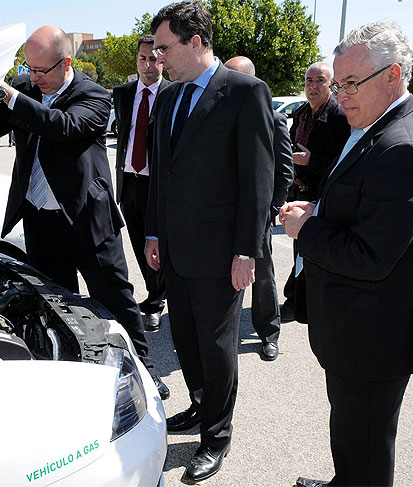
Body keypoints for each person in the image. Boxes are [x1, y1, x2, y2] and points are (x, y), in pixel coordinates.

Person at [0, 25, 169, 399]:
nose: (33, 78)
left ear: (66, 63)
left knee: (117, 303)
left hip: (88, 222)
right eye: (28, 69)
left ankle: (145, 371)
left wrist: (9, 95)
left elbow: (61, 127)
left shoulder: (93, 95)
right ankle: (73, 374)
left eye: (41, 70)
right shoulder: (26, 91)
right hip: (41, 222)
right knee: (55, 306)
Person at [280, 21, 413, 487]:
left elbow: (371, 255)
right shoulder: (379, 126)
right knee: (351, 437)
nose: (342, 94)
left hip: (373, 340)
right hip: (357, 331)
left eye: (352, 83)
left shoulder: (404, 146)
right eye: (339, 82)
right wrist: (320, 208)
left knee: (367, 450)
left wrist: (305, 228)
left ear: (393, 76)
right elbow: (365, 208)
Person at [146, 2, 274, 482]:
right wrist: (153, 230)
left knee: (217, 347)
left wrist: (247, 250)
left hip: (222, 253)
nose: (158, 59)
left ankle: (216, 436)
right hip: (175, 248)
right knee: (186, 339)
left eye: (165, 48)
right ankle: (201, 406)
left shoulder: (245, 93)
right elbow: (162, 173)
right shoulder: (168, 98)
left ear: (196, 42)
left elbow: (257, 181)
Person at [224, 55, 294, 361]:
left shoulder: (273, 118)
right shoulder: (218, 114)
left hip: (258, 214)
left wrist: (269, 209)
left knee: (262, 276)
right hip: (223, 213)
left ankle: (268, 332)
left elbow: (285, 170)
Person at [280, 62, 351, 323]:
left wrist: (311, 161)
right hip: (299, 191)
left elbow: (344, 160)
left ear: (331, 85)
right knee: (300, 249)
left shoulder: (340, 117)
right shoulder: (300, 113)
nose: (312, 86)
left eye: (319, 81)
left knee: (310, 249)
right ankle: (297, 298)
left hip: (323, 195)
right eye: (309, 81)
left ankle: (298, 301)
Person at [113, 35, 170, 332]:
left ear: (162, 59)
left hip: (157, 184)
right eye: (142, 59)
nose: (147, 65)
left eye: (153, 58)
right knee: (138, 243)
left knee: (156, 243)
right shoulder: (122, 94)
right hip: (129, 181)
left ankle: (155, 302)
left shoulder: (173, 94)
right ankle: (155, 291)